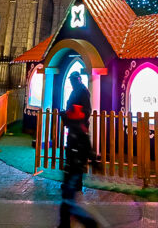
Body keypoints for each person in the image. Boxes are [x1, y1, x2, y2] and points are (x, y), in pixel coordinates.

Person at [58, 71, 97, 228]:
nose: (72, 82)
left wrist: (70, 115)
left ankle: (85, 220)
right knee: (71, 155)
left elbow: (85, 111)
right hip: (74, 129)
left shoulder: (82, 91)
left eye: (73, 80)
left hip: (78, 128)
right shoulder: (76, 90)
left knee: (75, 159)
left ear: (77, 79)